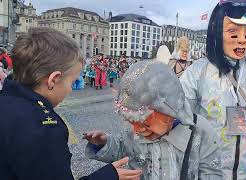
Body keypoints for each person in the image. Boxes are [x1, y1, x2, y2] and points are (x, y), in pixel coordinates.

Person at [0, 27, 141, 180]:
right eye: (72, 82)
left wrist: (106, 143)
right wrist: (107, 175)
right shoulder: (44, 129)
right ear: (53, 80)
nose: (69, 90)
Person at [179, 0, 246, 179]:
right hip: (207, 166)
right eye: (232, 31)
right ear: (217, 31)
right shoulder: (199, 71)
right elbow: (180, 111)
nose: (242, 39)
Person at [84, 61, 223, 180]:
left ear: (170, 110)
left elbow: (212, 170)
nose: (138, 130)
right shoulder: (134, 131)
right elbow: (123, 147)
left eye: (146, 124)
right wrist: (104, 143)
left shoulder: (200, 131)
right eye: (133, 123)